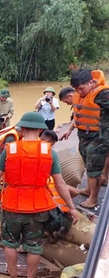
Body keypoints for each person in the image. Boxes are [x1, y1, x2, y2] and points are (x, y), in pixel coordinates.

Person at [0, 112, 78, 278]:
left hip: (12, 205)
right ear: (41, 130)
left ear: (22, 129)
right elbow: (60, 183)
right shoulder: (49, 152)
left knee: (10, 243)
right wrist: (71, 208)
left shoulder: (10, 149)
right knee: (34, 247)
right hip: (39, 206)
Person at [60, 69, 109, 208]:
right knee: (89, 166)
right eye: (76, 89)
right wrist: (69, 129)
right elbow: (77, 114)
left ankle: (93, 199)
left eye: (81, 88)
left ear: (91, 82)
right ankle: (88, 190)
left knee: (94, 170)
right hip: (84, 136)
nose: (79, 92)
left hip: (99, 137)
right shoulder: (79, 94)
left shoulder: (103, 94)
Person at [41, 130, 80, 241]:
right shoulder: (49, 155)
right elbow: (62, 185)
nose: (52, 148)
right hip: (46, 210)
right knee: (66, 221)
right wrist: (71, 207)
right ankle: (51, 234)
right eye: (52, 145)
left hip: (20, 205)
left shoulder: (20, 148)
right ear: (48, 141)